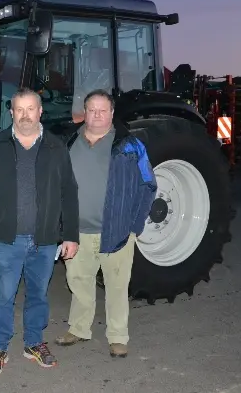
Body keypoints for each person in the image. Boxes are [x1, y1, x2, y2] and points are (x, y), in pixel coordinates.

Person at [0, 87, 80, 375]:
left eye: (30, 108)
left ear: (40, 111)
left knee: (38, 296)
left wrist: (71, 235)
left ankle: (33, 342)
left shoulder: (56, 147)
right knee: (3, 297)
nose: (25, 115)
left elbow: (69, 193)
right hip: (7, 238)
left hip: (44, 239)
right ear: (11, 112)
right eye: (19, 109)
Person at [55, 89, 157, 358]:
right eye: (92, 110)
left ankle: (118, 336)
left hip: (117, 232)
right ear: (84, 113)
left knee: (117, 286)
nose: (97, 115)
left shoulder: (130, 145)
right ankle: (79, 328)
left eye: (103, 110)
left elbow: (148, 185)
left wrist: (134, 226)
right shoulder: (68, 142)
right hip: (77, 232)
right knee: (78, 282)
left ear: (112, 113)